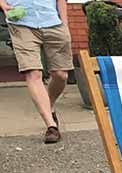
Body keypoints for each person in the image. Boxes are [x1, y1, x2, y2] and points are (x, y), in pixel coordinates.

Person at [0, 0, 72, 143]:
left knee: (61, 75)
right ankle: (51, 126)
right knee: (33, 73)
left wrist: (64, 25)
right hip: (21, 23)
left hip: (53, 21)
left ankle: (49, 105)